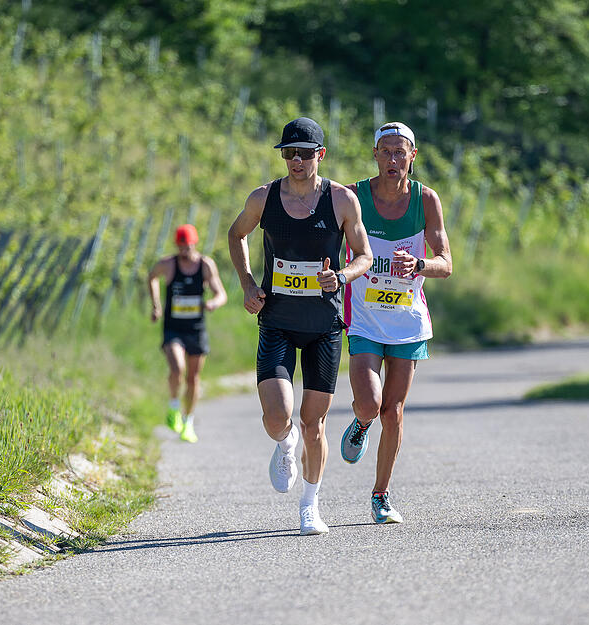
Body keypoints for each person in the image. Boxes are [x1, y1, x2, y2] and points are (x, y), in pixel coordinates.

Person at [228, 117, 373, 535]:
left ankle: (310, 505)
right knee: (278, 416)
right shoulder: (263, 197)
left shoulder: (342, 201)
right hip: (276, 321)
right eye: (289, 153)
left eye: (305, 153)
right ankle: (283, 443)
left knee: (315, 423)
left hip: (324, 326)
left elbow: (363, 254)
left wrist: (342, 276)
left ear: (319, 156)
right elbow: (236, 235)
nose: (296, 160)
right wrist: (248, 283)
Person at [340, 121, 452, 524]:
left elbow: (446, 263)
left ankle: (380, 495)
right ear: (375, 154)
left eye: (399, 151)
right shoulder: (353, 195)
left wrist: (419, 263)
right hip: (365, 318)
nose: (392, 159)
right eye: (384, 151)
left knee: (394, 411)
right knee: (371, 404)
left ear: (412, 156)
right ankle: (360, 422)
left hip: (407, 320)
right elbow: (333, 250)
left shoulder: (426, 200)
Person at [149, 224, 227, 443]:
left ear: (195, 243)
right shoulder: (168, 264)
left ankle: (188, 422)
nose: (184, 251)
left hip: (196, 329)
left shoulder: (205, 265)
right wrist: (156, 305)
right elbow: (151, 277)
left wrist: (213, 303)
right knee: (177, 368)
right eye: (181, 247)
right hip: (174, 328)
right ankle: (173, 406)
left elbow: (221, 293)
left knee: (193, 378)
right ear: (177, 245)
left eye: (188, 246)